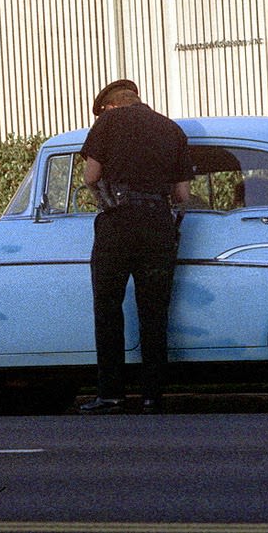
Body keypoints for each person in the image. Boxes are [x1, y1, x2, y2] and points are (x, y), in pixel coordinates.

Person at [78, 80, 194, 414]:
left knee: (108, 307)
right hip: (158, 224)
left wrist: (105, 200)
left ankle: (112, 394)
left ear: (110, 106)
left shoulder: (109, 123)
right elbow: (183, 196)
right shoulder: (172, 130)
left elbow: (90, 176)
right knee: (155, 311)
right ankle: (152, 396)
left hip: (119, 222)